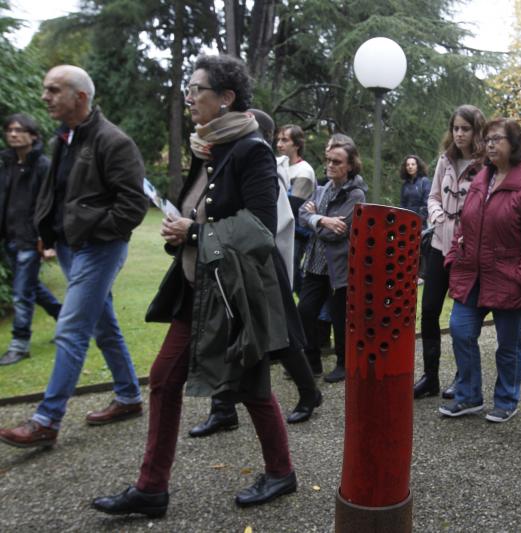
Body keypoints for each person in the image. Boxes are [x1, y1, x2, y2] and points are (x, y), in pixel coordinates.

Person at [92, 55, 299, 517]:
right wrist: (180, 228)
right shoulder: (210, 147)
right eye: (187, 88)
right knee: (165, 381)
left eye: (197, 89)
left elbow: (261, 228)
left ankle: (282, 471)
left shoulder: (251, 150)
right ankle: (151, 489)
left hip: (232, 292)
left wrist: (193, 233)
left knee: (250, 385)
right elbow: (199, 209)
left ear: (225, 98)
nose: (189, 96)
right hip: (199, 286)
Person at [0, 65, 149, 449]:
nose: (44, 96)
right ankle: (130, 395)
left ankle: (46, 420)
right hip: (68, 247)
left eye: (54, 90)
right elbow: (57, 192)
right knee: (104, 325)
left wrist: (93, 234)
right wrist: (45, 232)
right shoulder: (63, 137)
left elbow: (132, 206)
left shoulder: (113, 141)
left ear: (80, 96)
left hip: (97, 249)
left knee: (70, 328)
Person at [187, 109, 321, 436]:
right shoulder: (227, 160)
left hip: (258, 260)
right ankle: (222, 407)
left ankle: (309, 392)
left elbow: (273, 222)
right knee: (224, 330)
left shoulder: (259, 164)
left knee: (281, 335)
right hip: (226, 256)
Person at [439, 118, 521, 422]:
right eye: (487, 139)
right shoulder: (481, 178)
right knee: (461, 332)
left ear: (514, 144)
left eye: (496, 139)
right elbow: (466, 222)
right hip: (472, 273)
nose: (489, 144)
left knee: (508, 346)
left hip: (510, 279)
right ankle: (469, 396)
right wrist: (454, 257)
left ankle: (506, 399)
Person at [413, 105, 485, 400]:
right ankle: (430, 376)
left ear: (476, 131)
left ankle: (461, 377)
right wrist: (436, 214)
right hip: (439, 246)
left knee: (460, 319)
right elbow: (433, 196)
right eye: (455, 128)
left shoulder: (483, 166)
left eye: (465, 129)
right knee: (429, 311)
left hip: (466, 252)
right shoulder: (445, 160)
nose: (459, 134)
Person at [297, 137, 367, 383]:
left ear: (349, 165)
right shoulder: (323, 187)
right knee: (305, 311)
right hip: (315, 263)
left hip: (338, 266)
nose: (330, 165)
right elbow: (302, 214)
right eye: (328, 160)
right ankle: (312, 361)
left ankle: (343, 363)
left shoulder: (356, 194)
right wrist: (322, 219)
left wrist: (315, 219)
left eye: (337, 162)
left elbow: (338, 232)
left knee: (340, 317)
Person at [0, 113, 61, 366]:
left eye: (19, 130)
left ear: (33, 135)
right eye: (9, 130)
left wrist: (45, 240)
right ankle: (66, 317)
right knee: (31, 287)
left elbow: (49, 205)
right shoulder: (5, 163)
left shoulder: (43, 165)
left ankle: (19, 344)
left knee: (21, 294)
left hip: (30, 239)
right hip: (9, 238)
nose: (13, 134)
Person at [276, 124, 315, 295]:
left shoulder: (304, 171)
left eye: (285, 140)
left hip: (295, 233)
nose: (279, 144)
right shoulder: (279, 166)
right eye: (278, 139)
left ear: (297, 145)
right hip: (279, 228)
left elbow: (292, 207)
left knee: (290, 273)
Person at [399, 154, 431, 225]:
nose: (410, 167)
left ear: (418, 166)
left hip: (419, 223)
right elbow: (402, 204)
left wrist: (419, 219)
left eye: (413, 164)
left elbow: (426, 204)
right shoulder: (405, 184)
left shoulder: (424, 181)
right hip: (405, 222)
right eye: (408, 165)